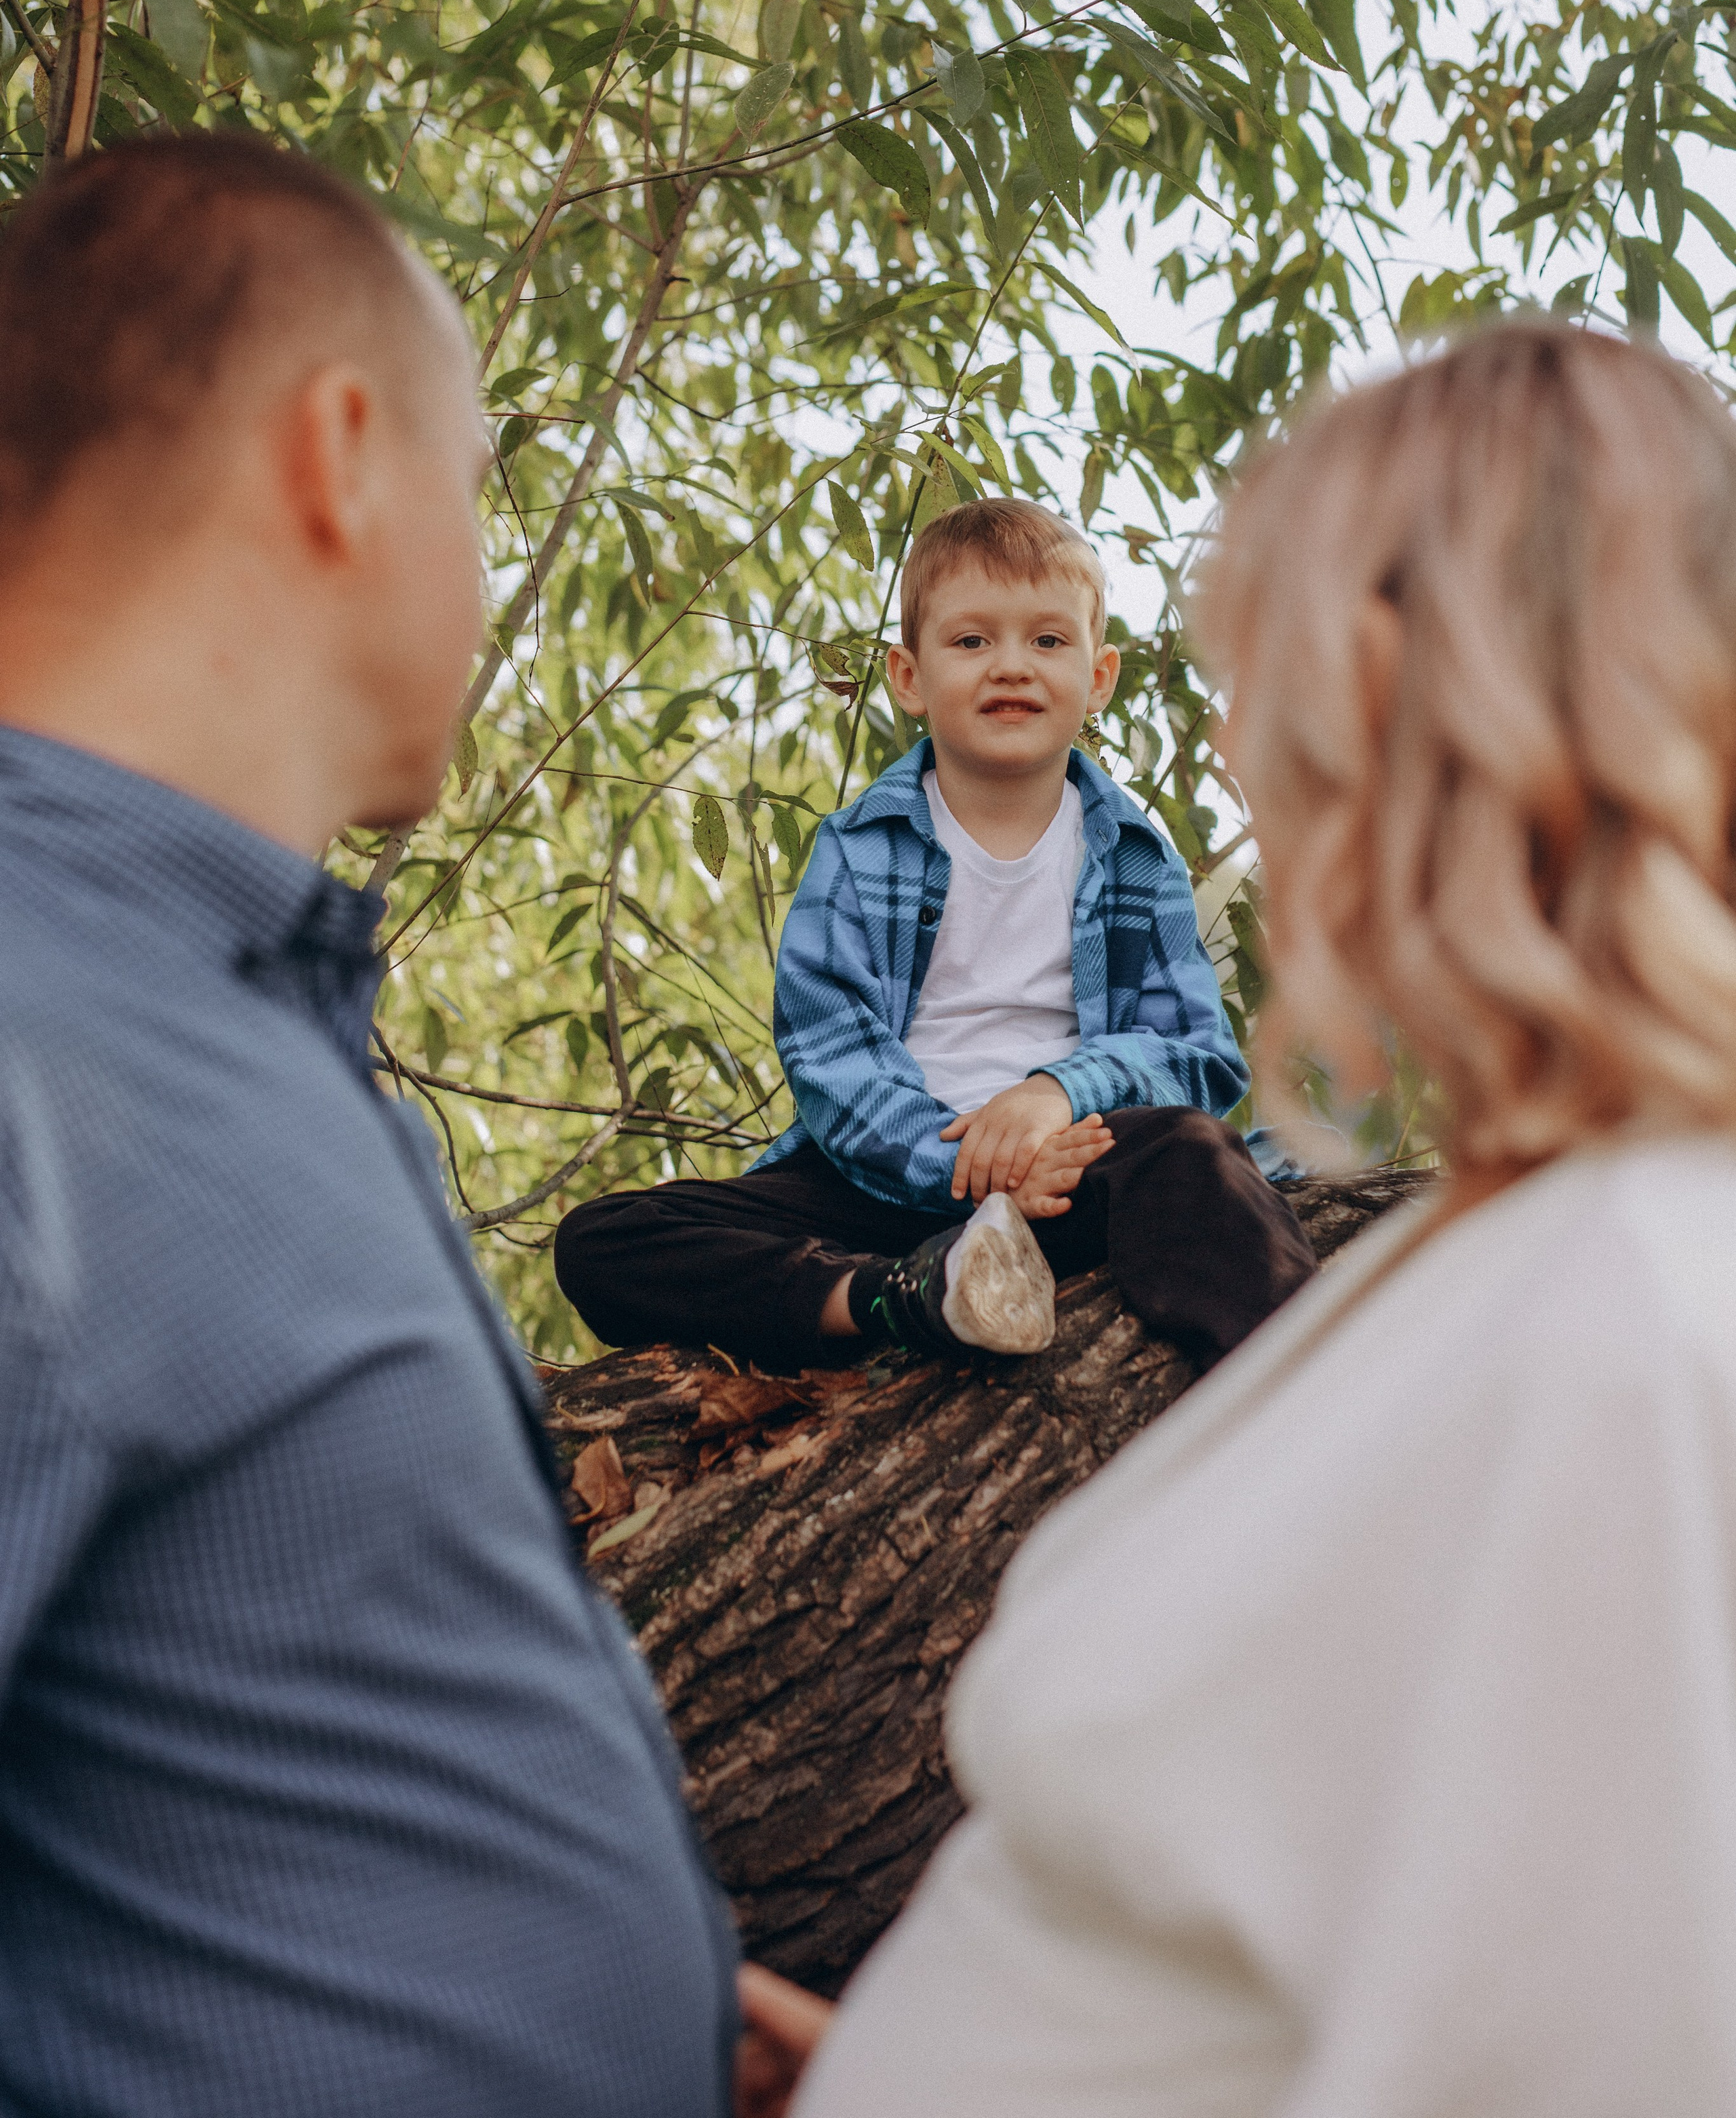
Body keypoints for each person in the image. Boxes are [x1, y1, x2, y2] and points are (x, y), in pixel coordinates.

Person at [793, 317, 1736, 2117]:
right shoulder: (1517, 1244)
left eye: (1264, 683)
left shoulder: (1625, 1337)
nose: (1229, 751)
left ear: (1403, 697)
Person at [0, 132, 824, 2118]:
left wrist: (652, 1999)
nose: (474, 546)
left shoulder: (233, 1022)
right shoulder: (42, 1033)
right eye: (475, 483)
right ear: (340, 451)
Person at [556, 499, 1314, 1372]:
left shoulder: (1134, 855)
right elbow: (829, 1049)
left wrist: (1054, 1098)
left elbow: (1196, 1053)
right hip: (884, 1181)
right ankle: (899, 1296)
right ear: (908, 677)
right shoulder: (858, 848)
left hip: (1070, 1173)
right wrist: (964, 1173)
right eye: (970, 642)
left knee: (1191, 1153)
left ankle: (1294, 1384)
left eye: (1048, 641)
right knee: (608, 1237)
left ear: (1099, 677)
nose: (1011, 667)